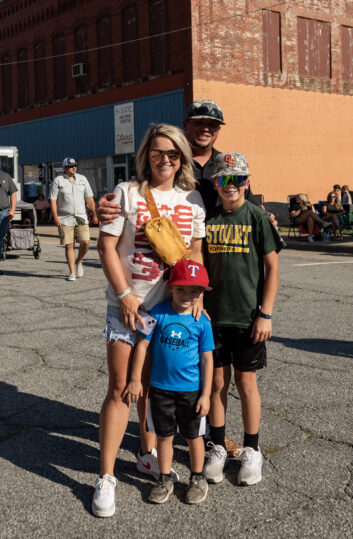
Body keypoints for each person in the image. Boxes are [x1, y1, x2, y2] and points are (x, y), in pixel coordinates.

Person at [92, 123, 206, 518]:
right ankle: (106, 477)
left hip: (172, 312)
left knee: (154, 389)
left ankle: (146, 452)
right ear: (146, 155)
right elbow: (106, 247)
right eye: (158, 152)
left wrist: (197, 297)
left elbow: (195, 252)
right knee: (121, 388)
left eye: (173, 153)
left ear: (182, 158)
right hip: (130, 307)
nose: (165, 159)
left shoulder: (193, 199)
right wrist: (125, 295)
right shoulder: (127, 193)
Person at [201, 152, 282, 488]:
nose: (230, 185)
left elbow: (272, 267)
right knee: (217, 383)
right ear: (215, 184)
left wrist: (266, 313)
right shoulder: (208, 219)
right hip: (213, 317)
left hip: (248, 317)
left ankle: (252, 448)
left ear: (247, 182)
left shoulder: (257, 217)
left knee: (246, 383)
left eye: (237, 179)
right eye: (224, 179)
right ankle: (218, 445)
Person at [125, 259, 214, 505]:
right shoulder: (158, 313)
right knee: (164, 437)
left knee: (193, 437)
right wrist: (135, 379)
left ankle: (197, 478)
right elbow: (142, 346)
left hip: (191, 392)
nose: (187, 295)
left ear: (202, 293)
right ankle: (164, 479)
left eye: (194, 291)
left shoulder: (202, 322)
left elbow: (207, 359)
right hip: (160, 390)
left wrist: (206, 395)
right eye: (181, 289)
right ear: (171, 287)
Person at [49, 157, 96, 281]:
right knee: (69, 246)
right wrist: (55, 217)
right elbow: (52, 200)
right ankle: (72, 272)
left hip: (81, 217)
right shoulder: (58, 181)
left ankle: (79, 261)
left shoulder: (82, 179)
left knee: (86, 242)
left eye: (75, 165)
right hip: (64, 218)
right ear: (64, 168)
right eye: (71, 166)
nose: (74, 168)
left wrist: (95, 213)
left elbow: (89, 198)